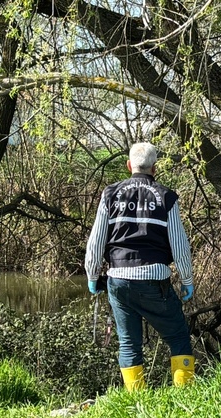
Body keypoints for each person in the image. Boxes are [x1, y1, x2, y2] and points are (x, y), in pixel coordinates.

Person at [84, 142, 195, 391]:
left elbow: (96, 241)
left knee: (128, 343)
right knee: (177, 336)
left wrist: (92, 275)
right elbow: (179, 244)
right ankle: (185, 395)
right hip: (154, 280)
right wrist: (187, 280)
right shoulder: (166, 196)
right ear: (154, 168)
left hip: (119, 281)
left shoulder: (110, 194)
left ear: (129, 166)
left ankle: (136, 401)